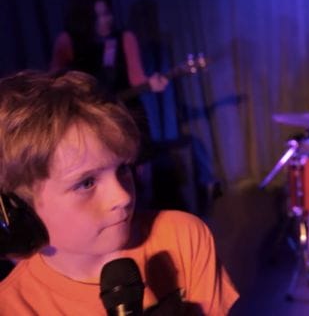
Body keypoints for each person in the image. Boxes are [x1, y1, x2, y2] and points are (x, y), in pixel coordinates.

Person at [0, 71, 237, 314]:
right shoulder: (13, 307)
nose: (122, 196)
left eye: (123, 168)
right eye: (86, 183)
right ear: (19, 209)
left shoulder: (183, 237)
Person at [50, 0, 168, 147]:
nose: (106, 20)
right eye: (98, 16)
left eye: (107, 14)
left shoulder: (125, 38)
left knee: (140, 162)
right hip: (91, 120)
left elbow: (137, 79)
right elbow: (54, 83)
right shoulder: (67, 41)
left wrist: (152, 83)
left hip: (127, 112)